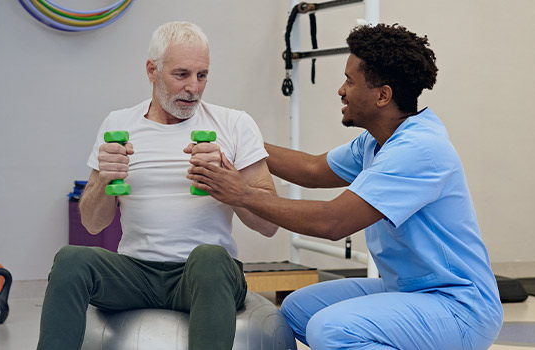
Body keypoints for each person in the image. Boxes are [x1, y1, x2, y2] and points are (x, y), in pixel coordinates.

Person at [187, 23, 501, 349]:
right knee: (297, 310)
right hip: (406, 289)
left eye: (350, 81)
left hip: (458, 306)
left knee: (332, 329)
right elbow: (311, 169)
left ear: (383, 95)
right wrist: (236, 140)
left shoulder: (418, 151)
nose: (341, 89)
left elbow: (332, 221)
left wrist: (242, 194)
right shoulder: (376, 142)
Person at [38, 21, 279, 350]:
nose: (193, 88)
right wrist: (106, 180)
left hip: (206, 273)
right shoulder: (119, 124)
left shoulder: (234, 124)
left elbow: (268, 225)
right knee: (71, 260)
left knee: (210, 257)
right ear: (152, 70)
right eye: (181, 74)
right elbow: (93, 223)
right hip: (135, 272)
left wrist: (228, 180)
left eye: (202, 75)